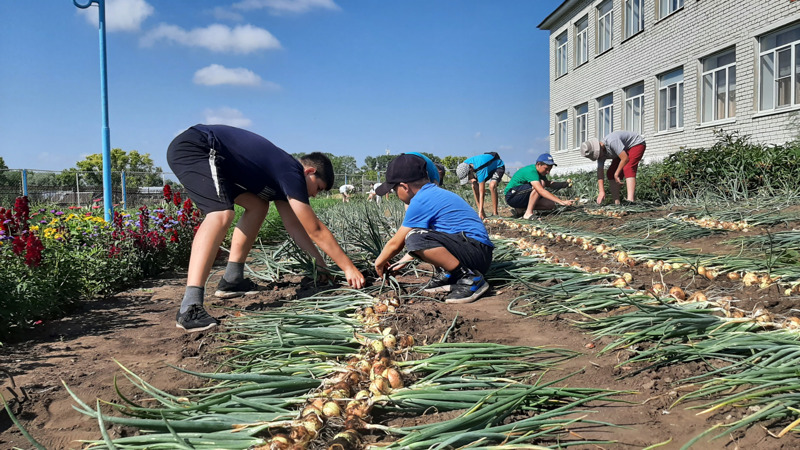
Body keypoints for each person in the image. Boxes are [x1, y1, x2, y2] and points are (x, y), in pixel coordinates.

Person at [167, 124, 366, 332]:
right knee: (220, 214)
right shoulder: (291, 170)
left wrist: (320, 264)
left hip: (218, 160)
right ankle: (189, 308)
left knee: (257, 205)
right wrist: (348, 268)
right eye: (317, 188)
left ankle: (232, 280)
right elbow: (314, 228)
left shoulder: (283, 183)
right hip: (198, 146)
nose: (314, 195)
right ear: (309, 171)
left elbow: (295, 227)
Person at [373, 154, 494, 304]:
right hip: (477, 250)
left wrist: (378, 263)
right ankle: (451, 274)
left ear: (404, 187)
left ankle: (469, 278)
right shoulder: (433, 193)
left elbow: (397, 243)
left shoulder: (421, 200)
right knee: (419, 236)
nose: (394, 193)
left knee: (413, 237)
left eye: (393, 189)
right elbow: (429, 245)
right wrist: (398, 265)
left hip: (475, 252)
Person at [581, 131, 646, 204]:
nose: (600, 157)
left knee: (628, 168)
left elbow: (625, 159)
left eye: (598, 154)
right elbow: (600, 172)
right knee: (610, 173)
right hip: (623, 150)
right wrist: (601, 191)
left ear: (600, 147)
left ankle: (630, 201)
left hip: (636, 144)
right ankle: (616, 202)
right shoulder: (600, 155)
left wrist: (617, 173)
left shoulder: (612, 142)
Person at [504, 153, 574, 219]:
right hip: (512, 196)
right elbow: (540, 190)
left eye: (549, 169)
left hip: (521, 196)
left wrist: (564, 184)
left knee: (550, 204)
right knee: (541, 184)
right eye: (546, 169)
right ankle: (528, 214)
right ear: (538, 164)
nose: (548, 172)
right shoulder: (531, 171)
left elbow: (549, 184)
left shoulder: (540, 174)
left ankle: (520, 209)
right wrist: (561, 201)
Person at [456, 153, 505, 219]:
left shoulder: (480, 169)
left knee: (492, 185)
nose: (468, 179)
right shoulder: (465, 165)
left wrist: (480, 212)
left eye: (468, 177)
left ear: (470, 170)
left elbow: (482, 192)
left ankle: (495, 213)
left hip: (498, 166)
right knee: (474, 185)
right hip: (487, 167)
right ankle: (482, 212)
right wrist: (480, 211)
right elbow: (474, 182)